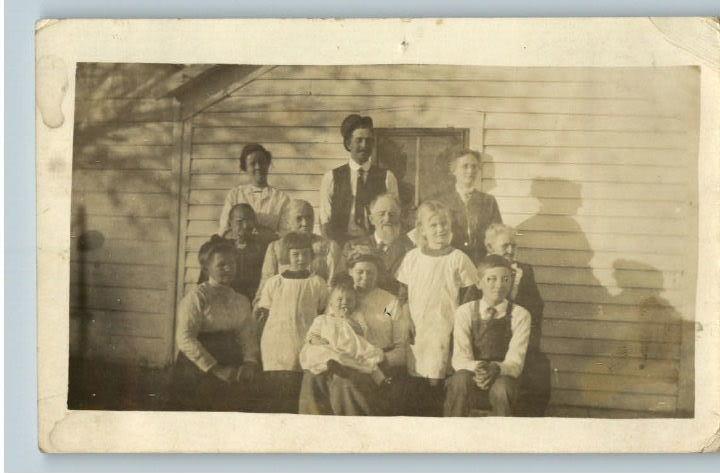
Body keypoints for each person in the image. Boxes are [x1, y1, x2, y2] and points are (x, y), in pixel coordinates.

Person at [394, 200, 478, 416]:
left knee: (437, 378)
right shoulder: (412, 258)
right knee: (417, 378)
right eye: (433, 225)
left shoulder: (458, 258)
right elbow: (401, 296)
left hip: (445, 328)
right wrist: (404, 319)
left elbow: (470, 298)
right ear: (421, 229)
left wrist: (458, 331)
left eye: (444, 224)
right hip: (418, 328)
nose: (440, 229)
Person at [462, 223, 550, 416]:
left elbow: (536, 309)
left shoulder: (524, 272)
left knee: (540, 370)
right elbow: (468, 306)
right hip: (484, 344)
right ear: (490, 248)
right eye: (505, 246)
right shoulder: (482, 270)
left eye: (514, 246)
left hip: (518, 339)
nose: (511, 250)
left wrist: (516, 294)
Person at [169, 238, 260, 411]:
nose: (229, 268)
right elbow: (185, 338)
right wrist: (216, 369)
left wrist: (250, 362)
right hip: (199, 365)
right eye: (222, 265)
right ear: (206, 268)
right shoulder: (197, 297)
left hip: (230, 359)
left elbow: (247, 334)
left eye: (232, 263)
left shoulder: (240, 300)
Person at [444, 254, 531, 417]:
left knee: (502, 390)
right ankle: (453, 433)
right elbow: (460, 358)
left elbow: (515, 362)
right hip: (472, 372)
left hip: (503, 375)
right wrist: (480, 369)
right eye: (491, 279)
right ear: (479, 283)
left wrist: (496, 369)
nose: (499, 285)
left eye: (505, 279)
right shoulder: (465, 312)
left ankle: (502, 438)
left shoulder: (521, 315)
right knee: (460, 381)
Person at [253, 232, 329, 412]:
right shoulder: (274, 283)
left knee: (300, 392)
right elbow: (264, 315)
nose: (301, 259)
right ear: (287, 255)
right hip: (276, 344)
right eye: (295, 254)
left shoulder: (317, 283)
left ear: (311, 255)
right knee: (277, 392)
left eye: (305, 254)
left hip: (304, 341)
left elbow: (323, 314)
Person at [298, 274, 390, 416]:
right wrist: (315, 341)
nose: (344, 303)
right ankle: (334, 363)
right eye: (340, 299)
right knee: (317, 352)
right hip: (328, 348)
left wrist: (348, 320)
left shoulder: (357, 318)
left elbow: (362, 332)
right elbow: (311, 335)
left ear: (355, 303)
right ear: (331, 304)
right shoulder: (322, 319)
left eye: (349, 300)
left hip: (349, 348)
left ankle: (381, 380)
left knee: (369, 358)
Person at [319, 114, 399, 244]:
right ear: (348, 143)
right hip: (341, 246)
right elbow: (325, 221)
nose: (364, 145)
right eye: (359, 140)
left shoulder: (387, 177)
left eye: (368, 141)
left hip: (375, 245)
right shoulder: (331, 178)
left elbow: (393, 217)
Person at [258, 199, 343, 299]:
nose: (305, 223)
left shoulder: (329, 247)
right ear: (288, 221)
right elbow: (266, 284)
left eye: (309, 218)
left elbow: (336, 285)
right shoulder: (275, 248)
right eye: (299, 218)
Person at [435, 149, 502, 263]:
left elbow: (498, 236)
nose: (470, 170)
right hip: (449, 262)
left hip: (480, 263)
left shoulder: (488, 201)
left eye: (474, 166)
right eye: (465, 166)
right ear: (454, 170)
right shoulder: (440, 201)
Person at [343, 193, 415, 297]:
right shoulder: (353, 246)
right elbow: (343, 284)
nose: (387, 219)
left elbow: (407, 290)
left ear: (399, 218)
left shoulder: (410, 250)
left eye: (392, 214)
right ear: (371, 219)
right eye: (381, 214)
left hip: (390, 308)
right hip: (358, 306)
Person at [197, 204, 273, 302]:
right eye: (239, 221)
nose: (245, 226)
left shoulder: (261, 248)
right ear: (230, 223)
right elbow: (203, 281)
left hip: (250, 303)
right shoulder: (217, 247)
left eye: (249, 221)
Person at [217, 143, 291, 237]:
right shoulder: (235, 195)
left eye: (262, 162)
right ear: (245, 168)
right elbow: (224, 231)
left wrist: (264, 234)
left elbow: (285, 235)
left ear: (268, 164)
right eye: (252, 163)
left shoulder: (281, 198)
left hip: (269, 250)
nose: (258, 167)